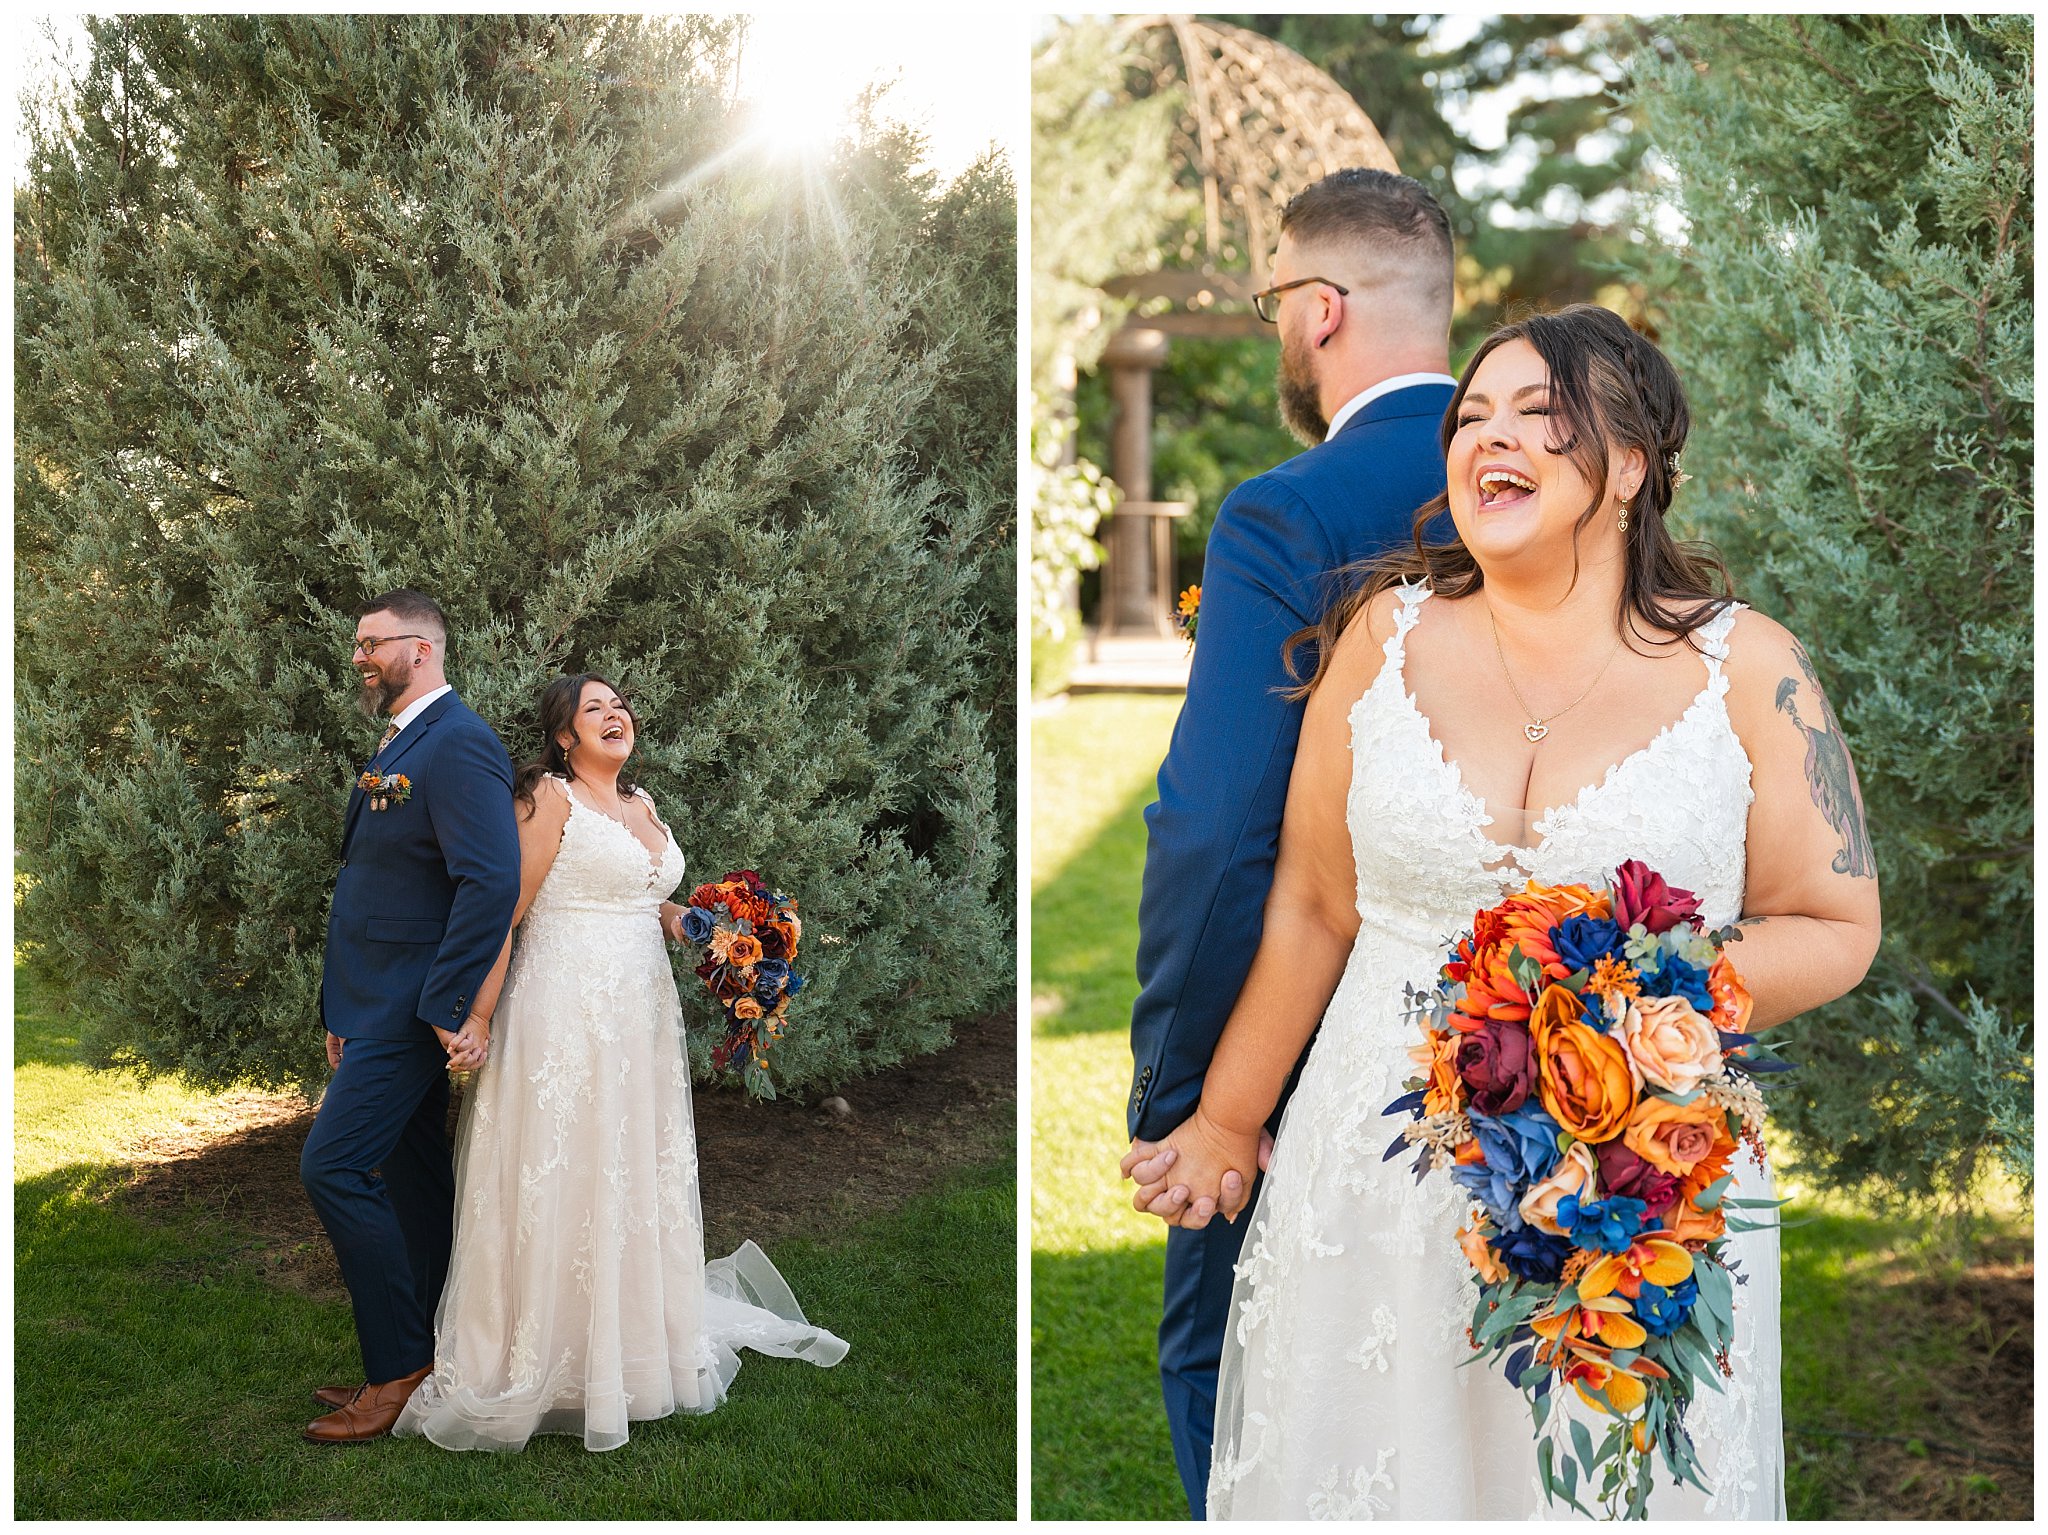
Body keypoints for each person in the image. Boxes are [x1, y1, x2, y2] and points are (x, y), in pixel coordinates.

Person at [1126, 305, 1882, 1518]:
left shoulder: (1750, 670)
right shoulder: (1382, 637)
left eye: (1540, 414)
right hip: (1369, 1174)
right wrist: (1223, 1120)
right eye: (1470, 415)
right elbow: (1316, 903)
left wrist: (1637, 1004)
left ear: (1630, 463)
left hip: (1631, 1177)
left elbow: (1835, 923)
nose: (1492, 437)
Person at [1121, 166, 1459, 1516]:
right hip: (1534, 1034)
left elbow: (1213, 827)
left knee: (1229, 1358)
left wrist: (1186, 1083)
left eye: (1273, 302)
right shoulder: (1566, 491)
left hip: (1309, 1044)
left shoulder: (1288, 510)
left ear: (1319, 309)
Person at [393, 674, 846, 1452]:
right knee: (560, 1166)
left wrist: (699, 925)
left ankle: (631, 1345)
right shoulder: (545, 798)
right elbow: (506, 910)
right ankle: (544, 1356)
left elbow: (643, 894)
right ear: (564, 735)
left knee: (630, 1168)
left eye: (620, 705)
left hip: (640, 1023)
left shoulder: (643, 806)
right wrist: (475, 1012)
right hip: (561, 1014)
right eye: (593, 708)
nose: (614, 715)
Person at [301, 589, 521, 1442]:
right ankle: (436, 1348)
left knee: (334, 1166)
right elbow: (375, 885)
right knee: (418, 1177)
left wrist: (446, 1003)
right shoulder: (401, 739)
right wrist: (340, 1004)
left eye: (370, 642)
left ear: (421, 648)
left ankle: (396, 1368)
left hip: (411, 1009)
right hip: (373, 1001)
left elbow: (490, 880)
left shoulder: (460, 741)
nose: (358, 655)